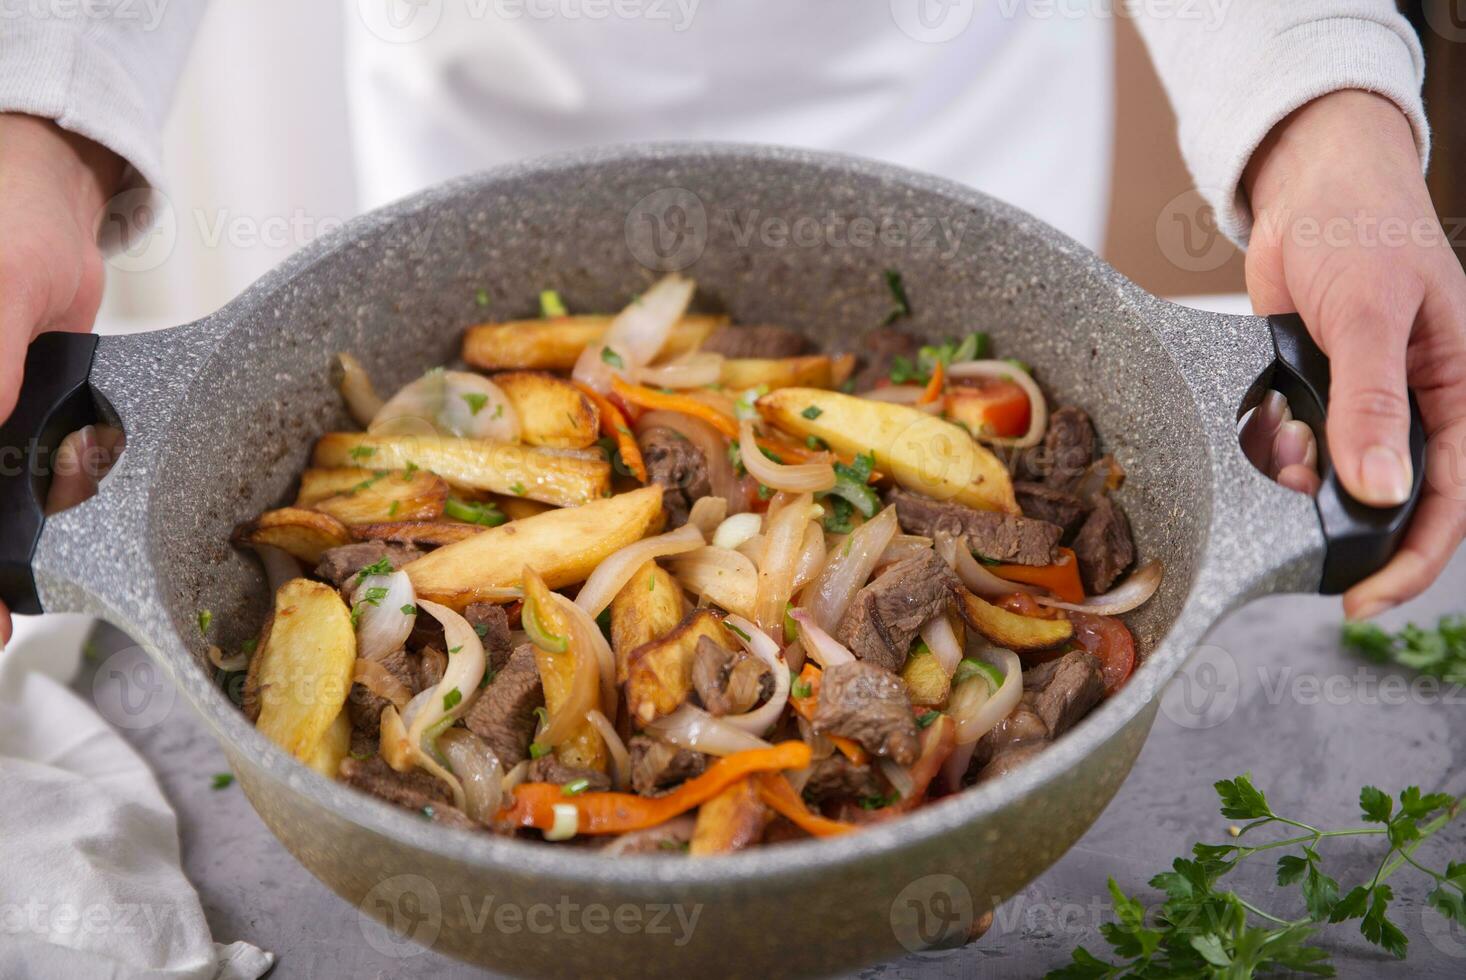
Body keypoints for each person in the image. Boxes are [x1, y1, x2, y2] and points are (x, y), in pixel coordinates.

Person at [0, 1, 1462, 652]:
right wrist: (37, 131)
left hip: (943, 141)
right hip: (496, 132)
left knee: (995, 466)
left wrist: (1317, 97)